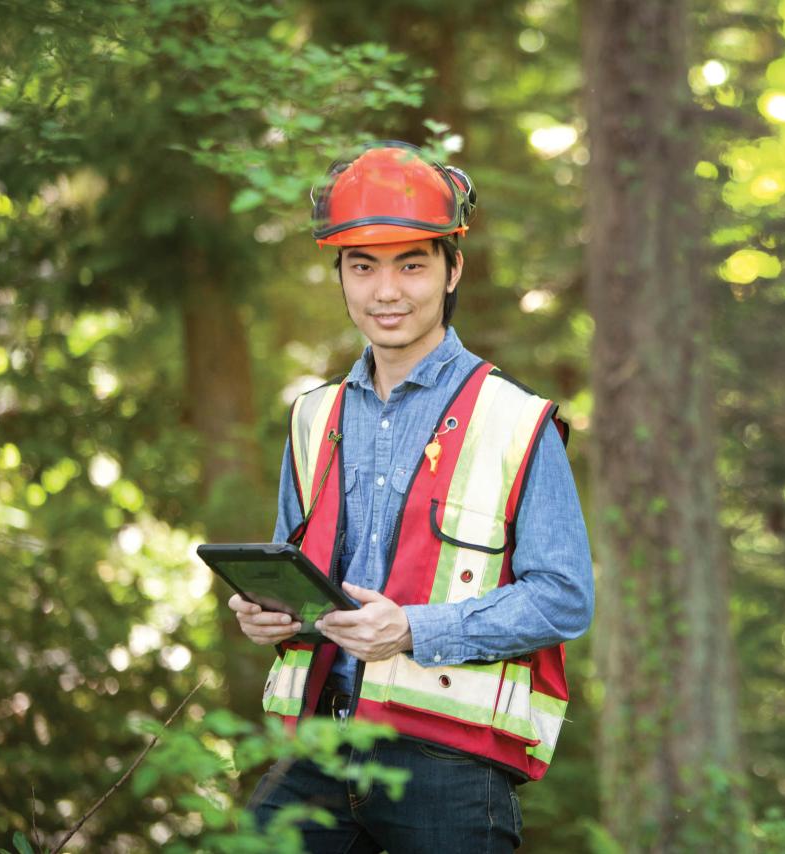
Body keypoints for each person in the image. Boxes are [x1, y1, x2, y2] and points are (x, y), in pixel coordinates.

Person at [227, 140, 593, 852]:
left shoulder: (516, 421)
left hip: (450, 766)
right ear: (340, 274)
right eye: (363, 266)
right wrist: (275, 615)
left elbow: (564, 596)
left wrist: (417, 630)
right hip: (320, 749)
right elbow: (305, 574)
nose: (385, 291)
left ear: (453, 268)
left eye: (411, 264)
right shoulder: (313, 417)